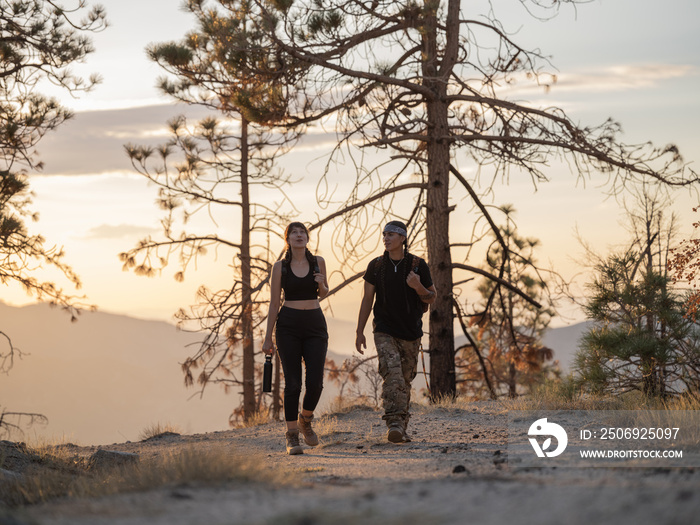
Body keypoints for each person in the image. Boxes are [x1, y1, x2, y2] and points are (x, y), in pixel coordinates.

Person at [355, 220, 436, 443]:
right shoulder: (376, 266)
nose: (386, 238)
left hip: (411, 331)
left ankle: (402, 425)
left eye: (391, 234)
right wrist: (359, 330)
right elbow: (367, 299)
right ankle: (394, 423)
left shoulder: (418, 265)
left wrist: (418, 287)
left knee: (405, 380)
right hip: (384, 329)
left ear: (402, 239)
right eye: (384, 235)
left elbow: (432, 296)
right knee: (392, 374)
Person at [263, 222, 329, 455]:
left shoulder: (317, 262)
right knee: (292, 384)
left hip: (314, 324)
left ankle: (306, 420)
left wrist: (321, 283)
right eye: (294, 232)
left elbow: (323, 293)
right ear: (287, 239)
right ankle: (292, 436)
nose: (299, 235)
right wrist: (268, 337)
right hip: (288, 325)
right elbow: (273, 303)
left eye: (302, 232)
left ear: (307, 238)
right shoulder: (279, 267)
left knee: (315, 383)